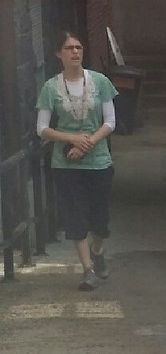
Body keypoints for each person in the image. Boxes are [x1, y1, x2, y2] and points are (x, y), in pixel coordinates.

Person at [36, 31, 118, 292]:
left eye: (78, 47)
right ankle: (87, 270)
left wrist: (87, 143)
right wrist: (71, 138)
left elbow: (110, 121)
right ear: (58, 54)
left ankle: (98, 250)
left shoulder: (100, 82)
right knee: (76, 215)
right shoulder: (51, 88)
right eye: (69, 48)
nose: (75, 52)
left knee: (100, 219)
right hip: (66, 163)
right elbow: (42, 128)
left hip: (98, 160)